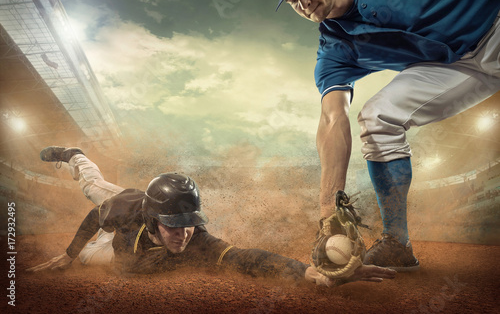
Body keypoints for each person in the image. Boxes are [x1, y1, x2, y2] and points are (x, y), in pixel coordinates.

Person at [276, 0, 500, 271]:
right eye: (291, 0)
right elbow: (332, 118)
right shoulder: (334, 49)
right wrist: (328, 214)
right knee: (377, 118)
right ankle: (397, 244)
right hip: (455, 66)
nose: (303, 2)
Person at [27, 146, 396, 287]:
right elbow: (94, 219)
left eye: (190, 222)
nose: (184, 233)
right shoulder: (123, 210)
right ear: (154, 220)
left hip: (124, 245)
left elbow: (245, 257)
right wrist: (68, 255)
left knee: (105, 260)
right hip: (119, 218)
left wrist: (308, 271)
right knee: (92, 185)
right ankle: (73, 154)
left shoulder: (195, 239)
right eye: (173, 224)